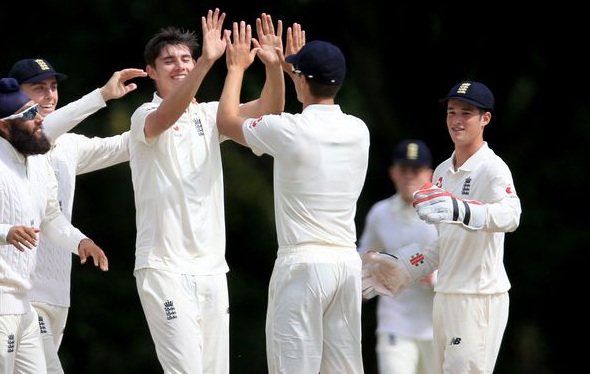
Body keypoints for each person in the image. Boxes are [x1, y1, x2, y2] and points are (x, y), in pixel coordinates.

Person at [127, 9, 285, 373]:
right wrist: (208, 64)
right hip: (164, 267)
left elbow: (269, 112)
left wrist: (274, 67)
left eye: (186, 58)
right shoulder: (143, 117)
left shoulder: (210, 115)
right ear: (151, 71)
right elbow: (166, 116)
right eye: (169, 61)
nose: (179, 66)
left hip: (213, 269)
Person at [217, 26, 370, 374]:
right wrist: (288, 68)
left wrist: (238, 68)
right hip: (346, 265)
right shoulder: (359, 130)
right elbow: (311, 91)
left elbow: (226, 122)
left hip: (302, 264)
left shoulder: (288, 130)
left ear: (302, 81)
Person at [0, 77, 109, 374]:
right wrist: (4, 232)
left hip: (22, 305)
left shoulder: (37, 163)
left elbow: (51, 218)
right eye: (28, 115)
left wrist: (81, 242)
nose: (38, 120)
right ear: (5, 126)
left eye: (35, 111)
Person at [362, 81, 521, 373]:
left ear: (485, 119)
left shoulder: (492, 168)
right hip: (446, 296)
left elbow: (511, 215)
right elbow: (445, 243)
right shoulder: (441, 173)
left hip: (478, 297)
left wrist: (461, 208)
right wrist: (407, 267)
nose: (457, 120)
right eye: (451, 112)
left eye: (466, 113)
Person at [7, 57, 146, 373]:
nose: (50, 96)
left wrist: (168, 113)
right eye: (38, 88)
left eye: (53, 88)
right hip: (20, 295)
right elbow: (46, 131)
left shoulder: (68, 146)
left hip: (58, 296)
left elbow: (125, 145)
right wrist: (102, 95)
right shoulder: (11, 143)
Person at [357, 139, 439, 374]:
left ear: (429, 174)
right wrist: (366, 279)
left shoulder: (442, 214)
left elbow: (463, 263)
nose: (409, 177)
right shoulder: (380, 213)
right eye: (404, 170)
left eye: (416, 170)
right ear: (393, 172)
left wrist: (434, 278)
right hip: (394, 323)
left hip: (437, 325)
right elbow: (363, 257)